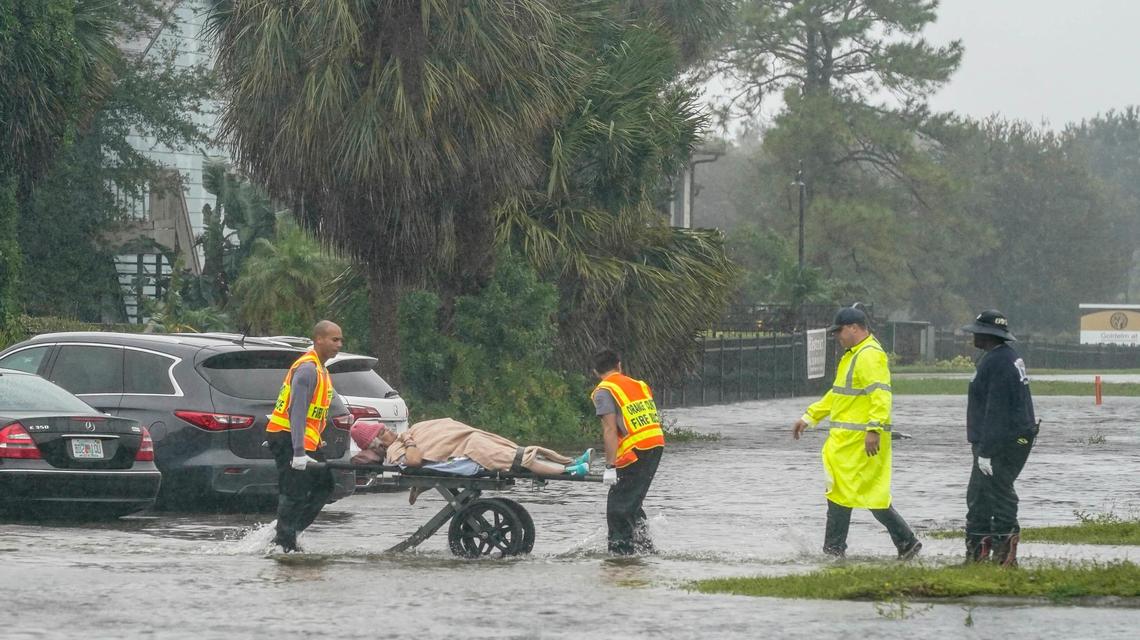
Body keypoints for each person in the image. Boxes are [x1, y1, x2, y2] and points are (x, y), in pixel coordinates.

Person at [791, 306, 921, 560]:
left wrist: (874, 429)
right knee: (850, 493)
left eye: (840, 331)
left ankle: (836, 550)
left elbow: (881, 395)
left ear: (854, 328)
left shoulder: (870, 355)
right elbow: (838, 395)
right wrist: (810, 417)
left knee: (859, 493)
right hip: (847, 444)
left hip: (861, 443)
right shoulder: (853, 355)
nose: (837, 337)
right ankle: (901, 543)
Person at [961, 309, 1038, 567]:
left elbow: (997, 411)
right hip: (1006, 438)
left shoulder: (998, 363)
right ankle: (978, 556)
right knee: (979, 495)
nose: (973, 335)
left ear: (987, 335)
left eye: (977, 332)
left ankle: (1004, 557)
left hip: (1004, 442)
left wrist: (986, 452)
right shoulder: (1003, 357)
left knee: (999, 491)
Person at [265, 320, 344, 552]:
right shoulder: (308, 369)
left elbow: (313, 415)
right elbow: (296, 411)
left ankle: (287, 533)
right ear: (318, 339)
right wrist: (298, 452)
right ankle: (284, 546)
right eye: (334, 339)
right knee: (294, 493)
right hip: (290, 439)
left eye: (340, 340)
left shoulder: (321, 369)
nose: (339, 344)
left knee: (325, 484)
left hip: (303, 440)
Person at [591, 349, 665, 555]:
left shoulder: (604, 390)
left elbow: (610, 429)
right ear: (619, 366)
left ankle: (620, 556)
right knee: (631, 501)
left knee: (618, 507)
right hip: (655, 443)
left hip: (636, 450)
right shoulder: (639, 385)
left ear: (596, 371)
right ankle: (645, 550)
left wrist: (609, 467)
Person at [350, 418, 591, 480]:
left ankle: (567, 462)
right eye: (382, 433)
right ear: (377, 444)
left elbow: (441, 432)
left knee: (508, 446)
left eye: (384, 429)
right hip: (464, 455)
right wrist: (410, 440)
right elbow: (413, 461)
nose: (388, 432)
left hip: (463, 443)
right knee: (514, 457)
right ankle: (568, 472)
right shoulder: (395, 451)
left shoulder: (402, 438)